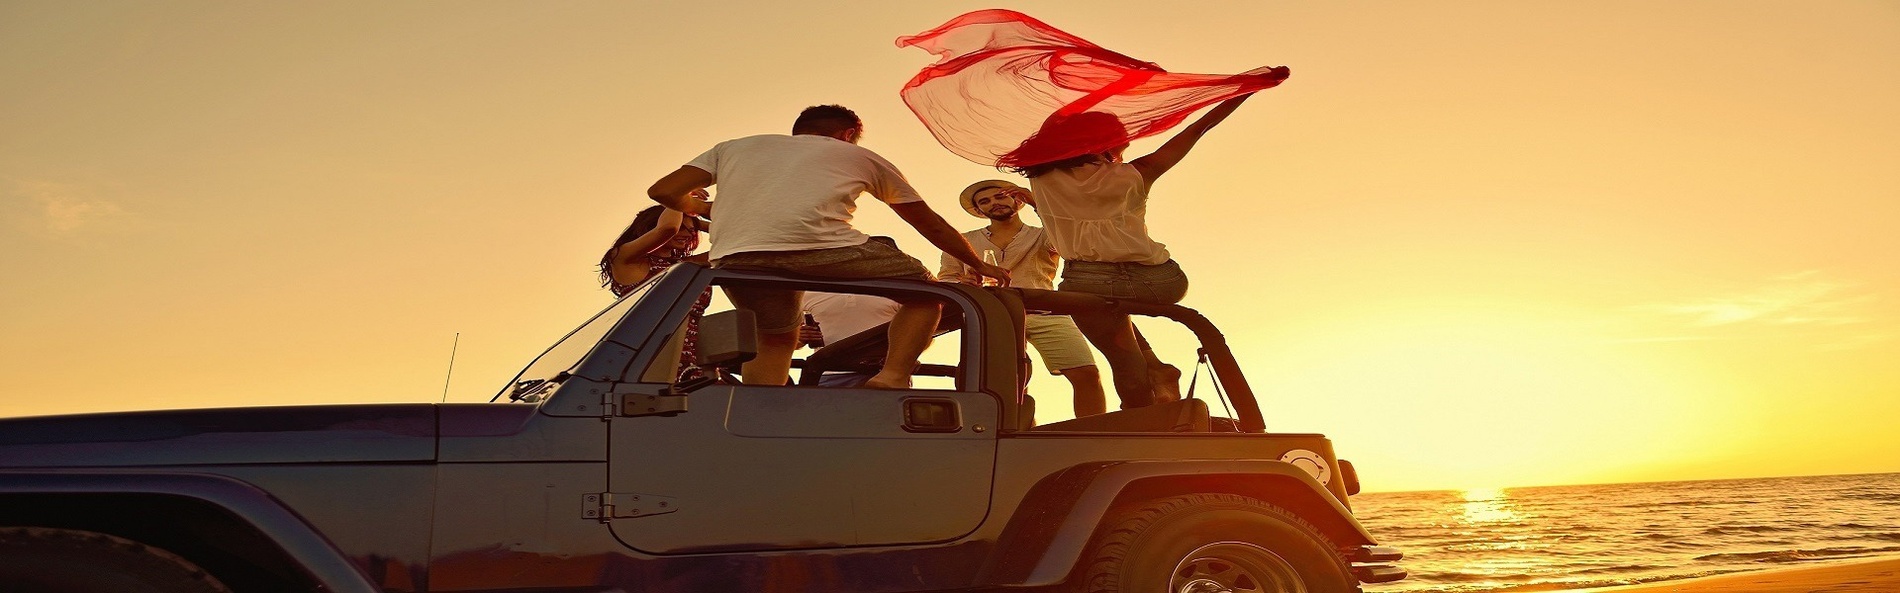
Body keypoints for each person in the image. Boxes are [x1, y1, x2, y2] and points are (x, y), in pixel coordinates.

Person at [647, 105, 1010, 389]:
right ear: (848, 134)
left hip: (737, 256)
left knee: (775, 335)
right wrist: (979, 265)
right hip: (820, 248)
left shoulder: (735, 147)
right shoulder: (858, 156)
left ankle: (760, 409)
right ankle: (893, 376)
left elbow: (662, 191)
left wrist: (701, 207)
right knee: (924, 291)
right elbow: (926, 222)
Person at [1007, 94, 1256, 409]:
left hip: (1086, 283)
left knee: (1122, 361)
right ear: (1107, 142)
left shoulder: (1040, 176)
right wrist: (1241, 91)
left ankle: (1142, 411)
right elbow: (1198, 128)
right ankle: (1157, 369)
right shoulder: (1136, 172)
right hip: (1157, 282)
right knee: (1113, 310)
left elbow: (1051, 126)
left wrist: (1102, 91)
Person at [939, 180, 1110, 417]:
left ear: (1017, 201)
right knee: (1011, 384)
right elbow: (946, 280)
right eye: (985, 202)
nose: (994, 203)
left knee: (1086, 373)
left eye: (1000, 196)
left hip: (1045, 311)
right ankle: (1019, 436)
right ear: (979, 211)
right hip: (992, 317)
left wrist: (1036, 202)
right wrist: (961, 284)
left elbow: (1069, 236)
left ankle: (1092, 433)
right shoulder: (961, 241)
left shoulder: (1043, 235)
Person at [599, 201, 709, 381]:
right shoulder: (626, 258)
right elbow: (667, 228)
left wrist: (694, 220)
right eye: (681, 228)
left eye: (690, 231)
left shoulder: (686, 266)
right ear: (650, 226)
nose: (687, 234)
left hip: (691, 362)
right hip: (646, 358)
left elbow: (734, 241)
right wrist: (678, 199)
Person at [799, 290, 902, 388]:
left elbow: (913, 331)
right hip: (825, 375)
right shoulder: (808, 293)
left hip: (881, 376)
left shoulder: (895, 290)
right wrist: (800, 337)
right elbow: (790, 341)